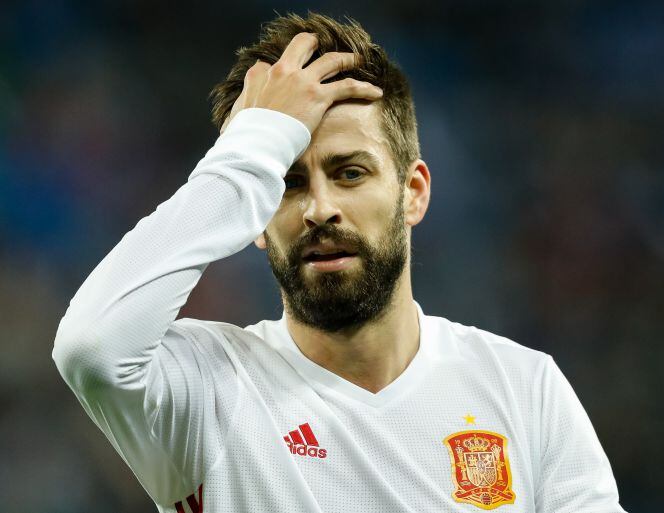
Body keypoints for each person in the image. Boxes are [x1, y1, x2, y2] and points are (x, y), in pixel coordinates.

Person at [53, 12, 627, 513]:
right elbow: (90, 348)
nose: (320, 210)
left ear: (413, 192)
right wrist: (253, 149)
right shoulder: (206, 393)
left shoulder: (523, 388)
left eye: (350, 172)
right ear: (252, 209)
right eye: (286, 183)